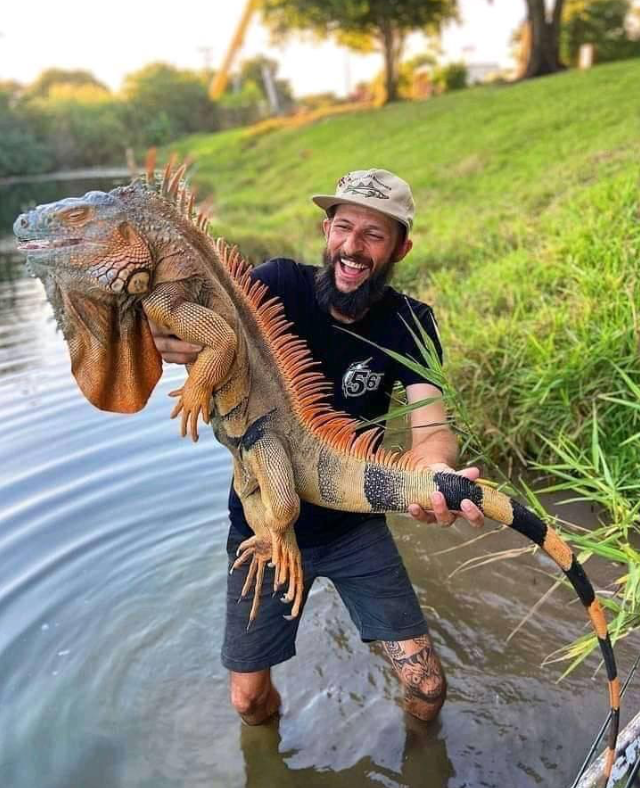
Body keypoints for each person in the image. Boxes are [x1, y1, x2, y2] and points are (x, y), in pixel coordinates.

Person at [147, 168, 484, 728]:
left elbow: (429, 430)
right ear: (326, 231)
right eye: (343, 227)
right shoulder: (276, 284)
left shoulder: (410, 322)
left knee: (427, 688)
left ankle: (420, 761)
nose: (353, 247)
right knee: (249, 702)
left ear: (401, 246)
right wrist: (163, 333)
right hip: (262, 530)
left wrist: (435, 478)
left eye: (374, 235)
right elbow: (203, 324)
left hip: (355, 526)